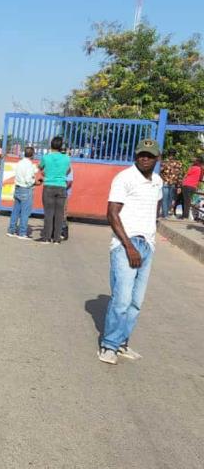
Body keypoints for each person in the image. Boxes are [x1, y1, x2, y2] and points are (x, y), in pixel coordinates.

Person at [98, 139, 163, 365]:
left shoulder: (157, 182)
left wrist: (150, 241)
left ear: (157, 158)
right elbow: (112, 214)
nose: (144, 158)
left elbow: (154, 210)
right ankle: (109, 346)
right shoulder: (124, 178)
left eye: (149, 155)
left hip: (147, 245)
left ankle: (122, 342)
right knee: (122, 299)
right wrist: (129, 246)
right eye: (141, 154)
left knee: (136, 301)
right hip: (126, 245)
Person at [37, 136, 71, 244]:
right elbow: (68, 170)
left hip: (49, 186)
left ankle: (46, 237)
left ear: (51, 145)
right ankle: (56, 239)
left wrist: (45, 173)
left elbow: (40, 167)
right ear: (61, 147)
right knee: (59, 214)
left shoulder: (46, 157)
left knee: (48, 213)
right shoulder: (66, 158)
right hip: (61, 187)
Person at [6, 147, 38, 240]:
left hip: (18, 188)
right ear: (32, 155)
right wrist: (35, 182)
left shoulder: (19, 163)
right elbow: (29, 179)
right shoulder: (29, 165)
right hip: (26, 189)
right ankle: (22, 232)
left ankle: (11, 230)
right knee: (25, 212)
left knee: (15, 211)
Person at [158, 151, 182, 219]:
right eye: (170, 154)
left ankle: (165, 213)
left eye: (172, 154)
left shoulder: (176, 163)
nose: (171, 156)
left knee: (170, 199)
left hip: (172, 184)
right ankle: (165, 214)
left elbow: (179, 175)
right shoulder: (166, 163)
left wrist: (179, 186)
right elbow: (160, 173)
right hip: (166, 183)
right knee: (166, 199)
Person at [180, 156, 203, 221]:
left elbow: (186, 175)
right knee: (188, 201)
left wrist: (182, 182)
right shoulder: (201, 169)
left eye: (195, 160)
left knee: (186, 201)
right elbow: (200, 178)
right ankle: (185, 216)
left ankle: (185, 216)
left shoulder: (193, 167)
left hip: (187, 185)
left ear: (197, 161)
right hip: (193, 186)